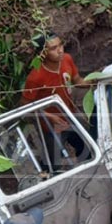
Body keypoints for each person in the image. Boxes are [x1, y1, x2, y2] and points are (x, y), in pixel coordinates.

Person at [20, 32, 92, 169]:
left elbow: (77, 80)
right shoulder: (36, 77)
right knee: (53, 161)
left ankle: (88, 170)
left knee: (85, 144)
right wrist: (50, 116)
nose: (60, 50)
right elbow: (25, 106)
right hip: (50, 126)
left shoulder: (67, 59)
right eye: (53, 48)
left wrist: (93, 81)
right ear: (42, 53)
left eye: (60, 45)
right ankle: (48, 177)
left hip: (70, 114)